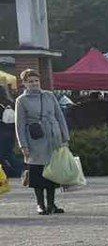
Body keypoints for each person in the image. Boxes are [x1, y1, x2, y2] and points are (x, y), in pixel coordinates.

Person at [12, 67, 72, 216]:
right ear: (24, 83)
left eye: (36, 81)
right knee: (37, 173)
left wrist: (65, 137)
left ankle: (52, 204)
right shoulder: (21, 100)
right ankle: (40, 204)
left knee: (52, 172)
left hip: (53, 137)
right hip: (35, 139)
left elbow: (60, 116)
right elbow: (19, 124)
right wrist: (23, 145)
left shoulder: (49, 96)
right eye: (30, 81)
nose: (34, 84)